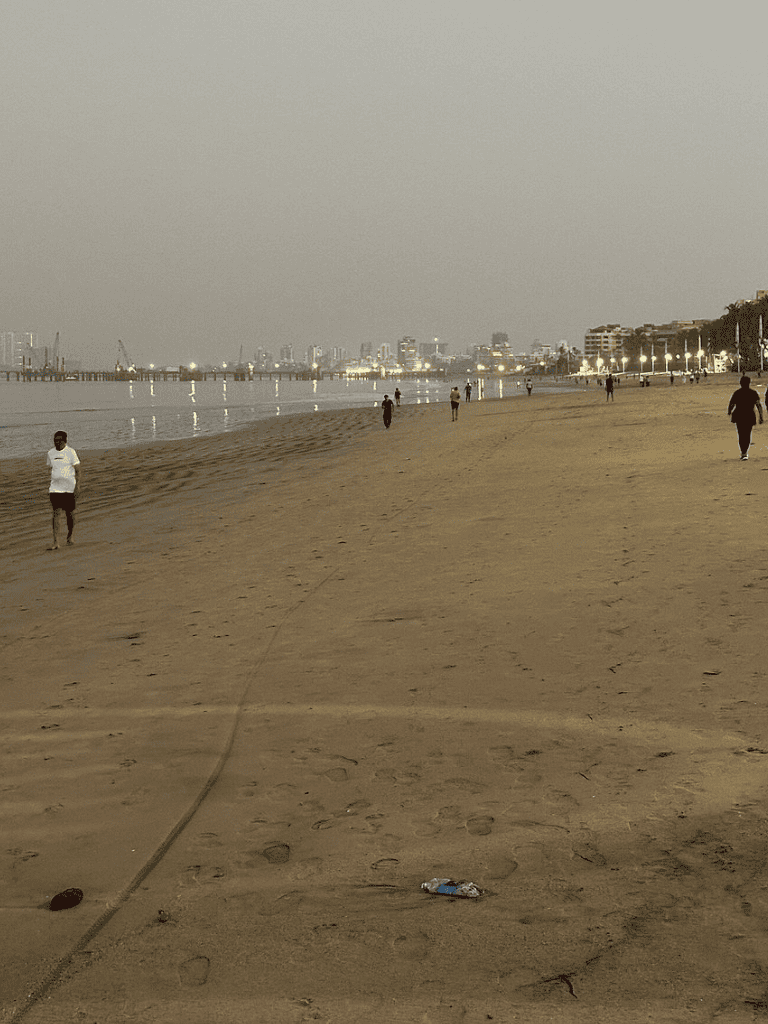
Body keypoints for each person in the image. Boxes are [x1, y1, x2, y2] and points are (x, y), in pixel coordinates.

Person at [47, 430, 80, 549]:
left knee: (69, 514)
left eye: (59, 441)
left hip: (69, 488)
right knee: (56, 513)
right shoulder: (50, 453)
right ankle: (56, 541)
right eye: (55, 440)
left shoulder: (71, 452)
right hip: (55, 489)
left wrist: (77, 486)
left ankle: (70, 535)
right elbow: (51, 469)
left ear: (65, 441)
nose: (57, 443)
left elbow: (78, 470)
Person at [727, 375, 764, 460]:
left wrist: (729, 411)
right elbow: (758, 405)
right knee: (747, 434)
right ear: (749, 383)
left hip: (739, 415)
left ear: (740, 383)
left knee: (741, 434)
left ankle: (743, 452)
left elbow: (731, 403)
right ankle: (745, 452)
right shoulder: (753, 393)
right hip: (749, 415)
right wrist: (761, 416)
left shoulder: (737, 393)